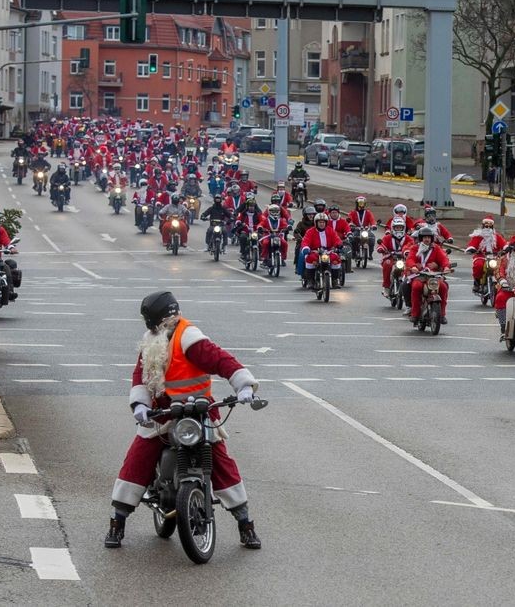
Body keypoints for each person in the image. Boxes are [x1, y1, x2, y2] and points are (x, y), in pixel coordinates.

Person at [105, 291, 262, 550]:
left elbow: (220, 359)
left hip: (200, 411)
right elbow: (140, 376)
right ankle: (117, 522)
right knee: (138, 458)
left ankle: (245, 523)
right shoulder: (152, 341)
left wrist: (243, 385)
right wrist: (140, 405)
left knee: (220, 461)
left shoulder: (189, 337)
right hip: (163, 413)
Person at [404, 226, 450, 324]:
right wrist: (414, 267)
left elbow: (444, 259)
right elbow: (410, 259)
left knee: (443, 287)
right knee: (416, 287)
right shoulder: (415, 248)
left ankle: (442, 315)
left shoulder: (436, 248)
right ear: (421, 238)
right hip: (419, 276)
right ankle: (415, 314)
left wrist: (446, 267)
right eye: (425, 237)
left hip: (433, 276)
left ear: (432, 238)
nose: (427, 239)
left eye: (429, 237)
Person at [301, 213, 344, 287]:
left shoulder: (330, 230)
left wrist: (339, 244)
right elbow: (305, 241)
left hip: (328, 252)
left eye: (323, 222)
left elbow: (336, 239)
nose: (322, 224)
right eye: (320, 222)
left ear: (326, 223)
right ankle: (310, 280)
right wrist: (306, 248)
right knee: (310, 259)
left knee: (336, 258)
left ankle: (335, 280)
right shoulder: (310, 231)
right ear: (316, 223)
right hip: (316, 252)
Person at [465, 215, 507, 291]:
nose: (487, 225)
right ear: (483, 224)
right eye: (486, 223)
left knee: (502, 266)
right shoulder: (478, 235)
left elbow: (504, 244)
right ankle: (477, 283)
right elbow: (472, 244)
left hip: (494, 257)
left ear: (492, 225)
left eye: (490, 224)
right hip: (481, 256)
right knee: (478, 265)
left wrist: (506, 248)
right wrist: (472, 249)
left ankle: (502, 282)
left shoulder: (496, 236)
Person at [377, 217, 415, 296]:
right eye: (396, 227)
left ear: (404, 228)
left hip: (404, 259)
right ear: (392, 228)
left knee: (412, 268)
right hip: (391, 257)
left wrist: (408, 252)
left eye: (400, 227)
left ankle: (409, 286)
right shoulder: (387, 237)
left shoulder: (408, 238)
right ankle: (386, 287)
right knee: (387, 264)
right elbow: (381, 245)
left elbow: (413, 246)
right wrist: (381, 249)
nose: (398, 229)